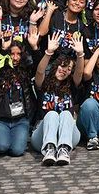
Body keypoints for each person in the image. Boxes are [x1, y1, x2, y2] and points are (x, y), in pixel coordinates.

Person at [32, 36, 85, 166]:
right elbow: (39, 72)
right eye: (62, 66)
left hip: (69, 135)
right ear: (56, 66)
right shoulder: (44, 84)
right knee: (52, 114)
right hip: (42, 135)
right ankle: (49, 149)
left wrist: (80, 55)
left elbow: (79, 73)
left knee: (66, 114)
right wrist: (48, 53)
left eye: (69, 69)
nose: (64, 70)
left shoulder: (71, 85)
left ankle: (63, 150)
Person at [0, 38, 36, 157]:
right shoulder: (1, 71)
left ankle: (11, 139)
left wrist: (35, 48)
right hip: (1, 120)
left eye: (18, 54)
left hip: (20, 120)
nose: (15, 58)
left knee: (17, 151)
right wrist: (3, 50)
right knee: (1, 147)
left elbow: (38, 65)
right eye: (12, 54)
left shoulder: (26, 71)